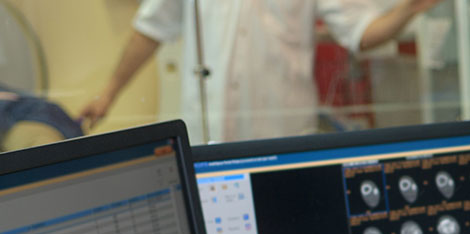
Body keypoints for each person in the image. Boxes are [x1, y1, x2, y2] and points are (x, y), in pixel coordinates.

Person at [79, 0, 443, 142]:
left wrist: (406, 11)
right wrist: (109, 92)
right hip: (207, 141)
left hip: (280, 142)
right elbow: (151, 30)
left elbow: (361, 33)